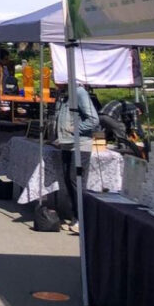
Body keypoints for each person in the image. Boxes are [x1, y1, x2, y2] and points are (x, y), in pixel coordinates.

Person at [52, 80, 99, 233]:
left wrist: (74, 129)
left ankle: (81, 218)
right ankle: (74, 217)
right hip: (66, 143)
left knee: (76, 180)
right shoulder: (63, 94)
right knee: (67, 179)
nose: (54, 81)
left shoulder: (79, 92)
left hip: (80, 144)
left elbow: (93, 119)